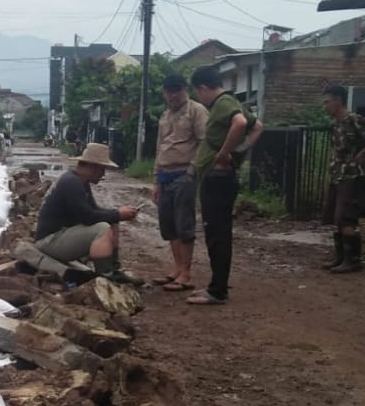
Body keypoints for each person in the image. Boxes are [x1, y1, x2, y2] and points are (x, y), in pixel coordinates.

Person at [185, 66, 263, 306]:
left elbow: (240, 123)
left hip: (218, 180)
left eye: (198, 93)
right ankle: (215, 286)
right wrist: (239, 152)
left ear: (204, 88)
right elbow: (257, 126)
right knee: (217, 234)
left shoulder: (222, 102)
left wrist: (225, 154)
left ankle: (217, 291)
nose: (199, 99)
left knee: (217, 235)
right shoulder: (229, 102)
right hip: (218, 179)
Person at [34, 142, 140, 283]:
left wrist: (116, 214)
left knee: (111, 220)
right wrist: (118, 214)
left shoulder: (79, 181)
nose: (103, 174)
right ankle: (105, 276)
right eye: (102, 169)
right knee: (102, 229)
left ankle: (113, 269)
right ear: (93, 167)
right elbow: (87, 217)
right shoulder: (72, 182)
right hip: (49, 241)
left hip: (58, 236)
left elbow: (94, 210)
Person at [152, 72, 209, 292]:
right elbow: (159, 148)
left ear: (185, 90)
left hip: (184, 174)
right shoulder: (165, 115)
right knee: (168, 225)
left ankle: (186, 273)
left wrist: (193, 171)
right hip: (165, 175)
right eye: (169, 91)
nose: (173, 95)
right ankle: (176, 268)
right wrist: (156, 180)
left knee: (184, 224)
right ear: (165, 92)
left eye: (177, 90)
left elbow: (205, 142)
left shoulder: (196, 111)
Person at [322, 85, 365, 273]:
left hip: (351, 173)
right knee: (336, 216)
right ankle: (340, 257)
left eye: (328, 102)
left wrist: (364, 152)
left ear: (338, 100)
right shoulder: (335, 124)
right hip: (337, 172)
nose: (325, 106)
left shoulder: (354, 119)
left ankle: (353, 259)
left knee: (346, 215)